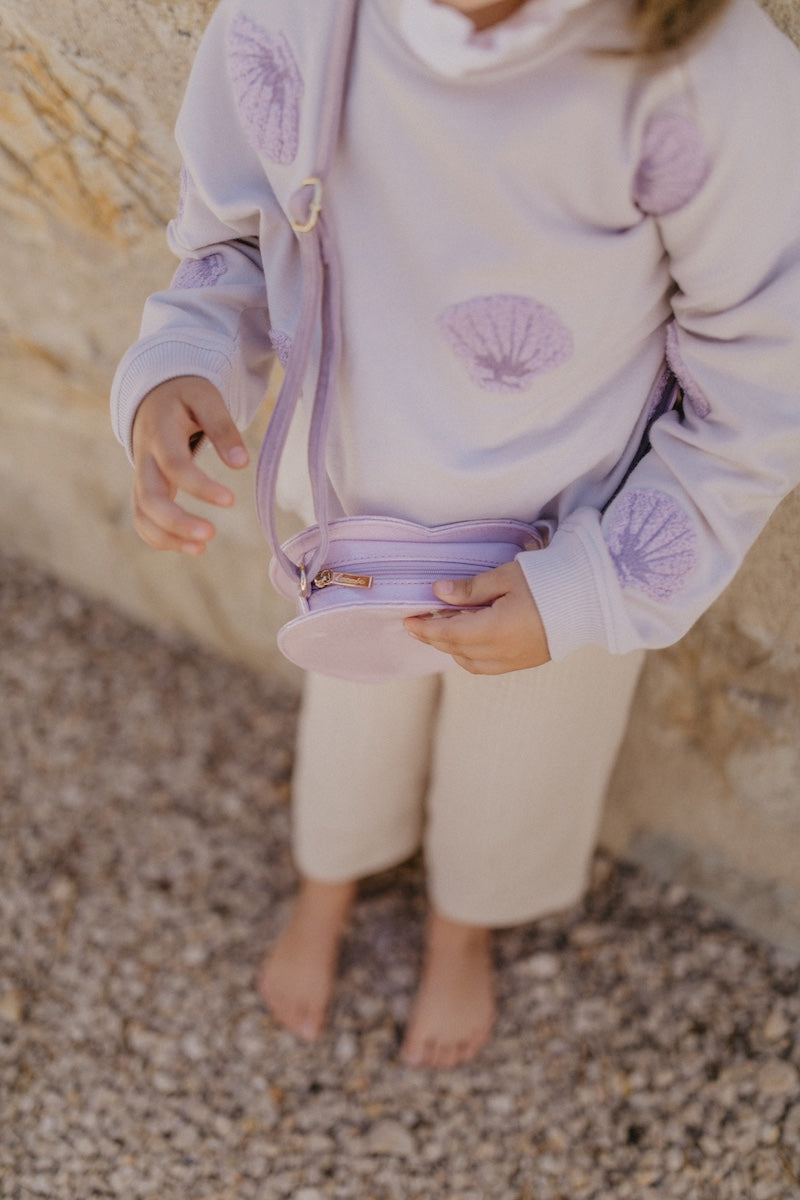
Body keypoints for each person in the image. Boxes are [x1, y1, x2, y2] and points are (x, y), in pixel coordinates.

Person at [111, 0, 800, 1068]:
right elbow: (233, 240)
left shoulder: (704, 85)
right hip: (359, 524)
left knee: (522, 767)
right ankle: (324, 889)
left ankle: (458, 930)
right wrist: (185, 367)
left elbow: (759, 391)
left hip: (568, 538)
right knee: (348, 726)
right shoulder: (289, 18)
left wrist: (588, 586)